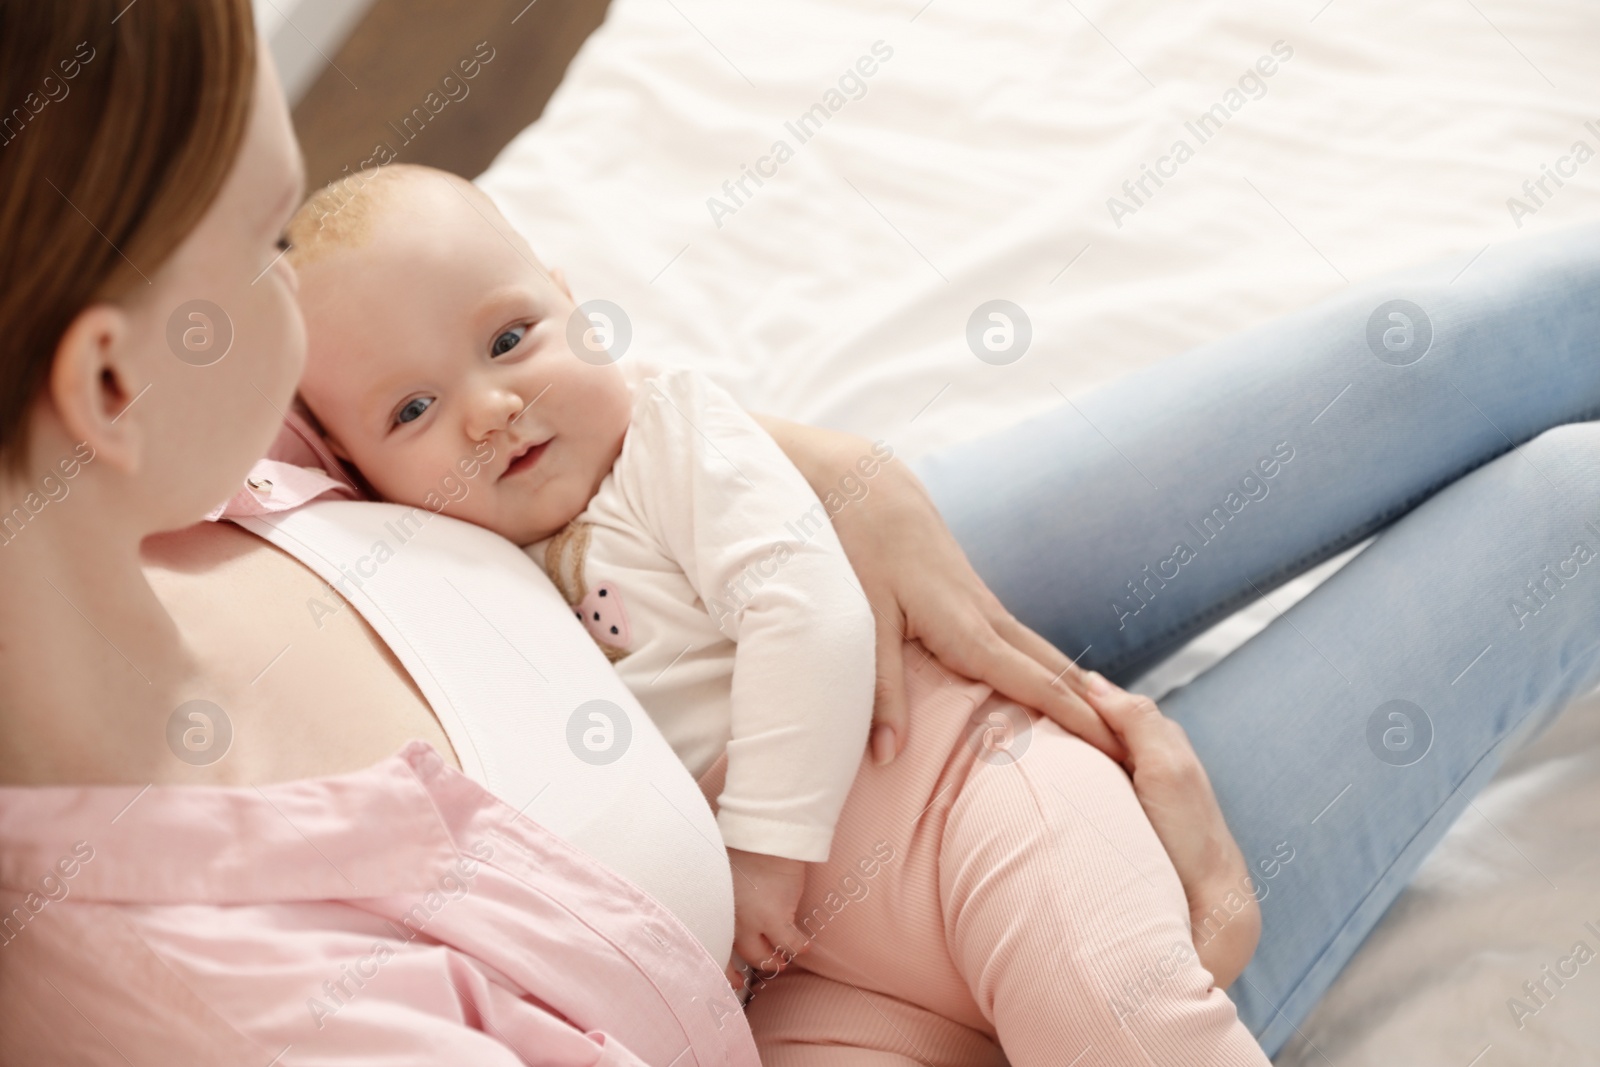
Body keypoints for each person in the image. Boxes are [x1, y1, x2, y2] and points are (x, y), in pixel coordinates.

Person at [1, 1, 1596, 1064]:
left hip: (748, 609)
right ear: (112, 376)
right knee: (1562, 510)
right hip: (899, 948)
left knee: (1438, 343)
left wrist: (826, 477)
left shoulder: (186, 472)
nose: (297, 305)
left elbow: (512, 396)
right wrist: (1043, 852)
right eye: (260, 253)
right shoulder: (257, 1002)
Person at [271, 160, 1267, 1065]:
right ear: (360, 480)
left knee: (1112, 1013)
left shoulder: (667, 437)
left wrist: (760, 851)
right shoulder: (459, 575)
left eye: (507, 338)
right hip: (806, 974)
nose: (489, 407)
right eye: (412, 410)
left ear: (572, 301)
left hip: (961, 809)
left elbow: (811, 614)